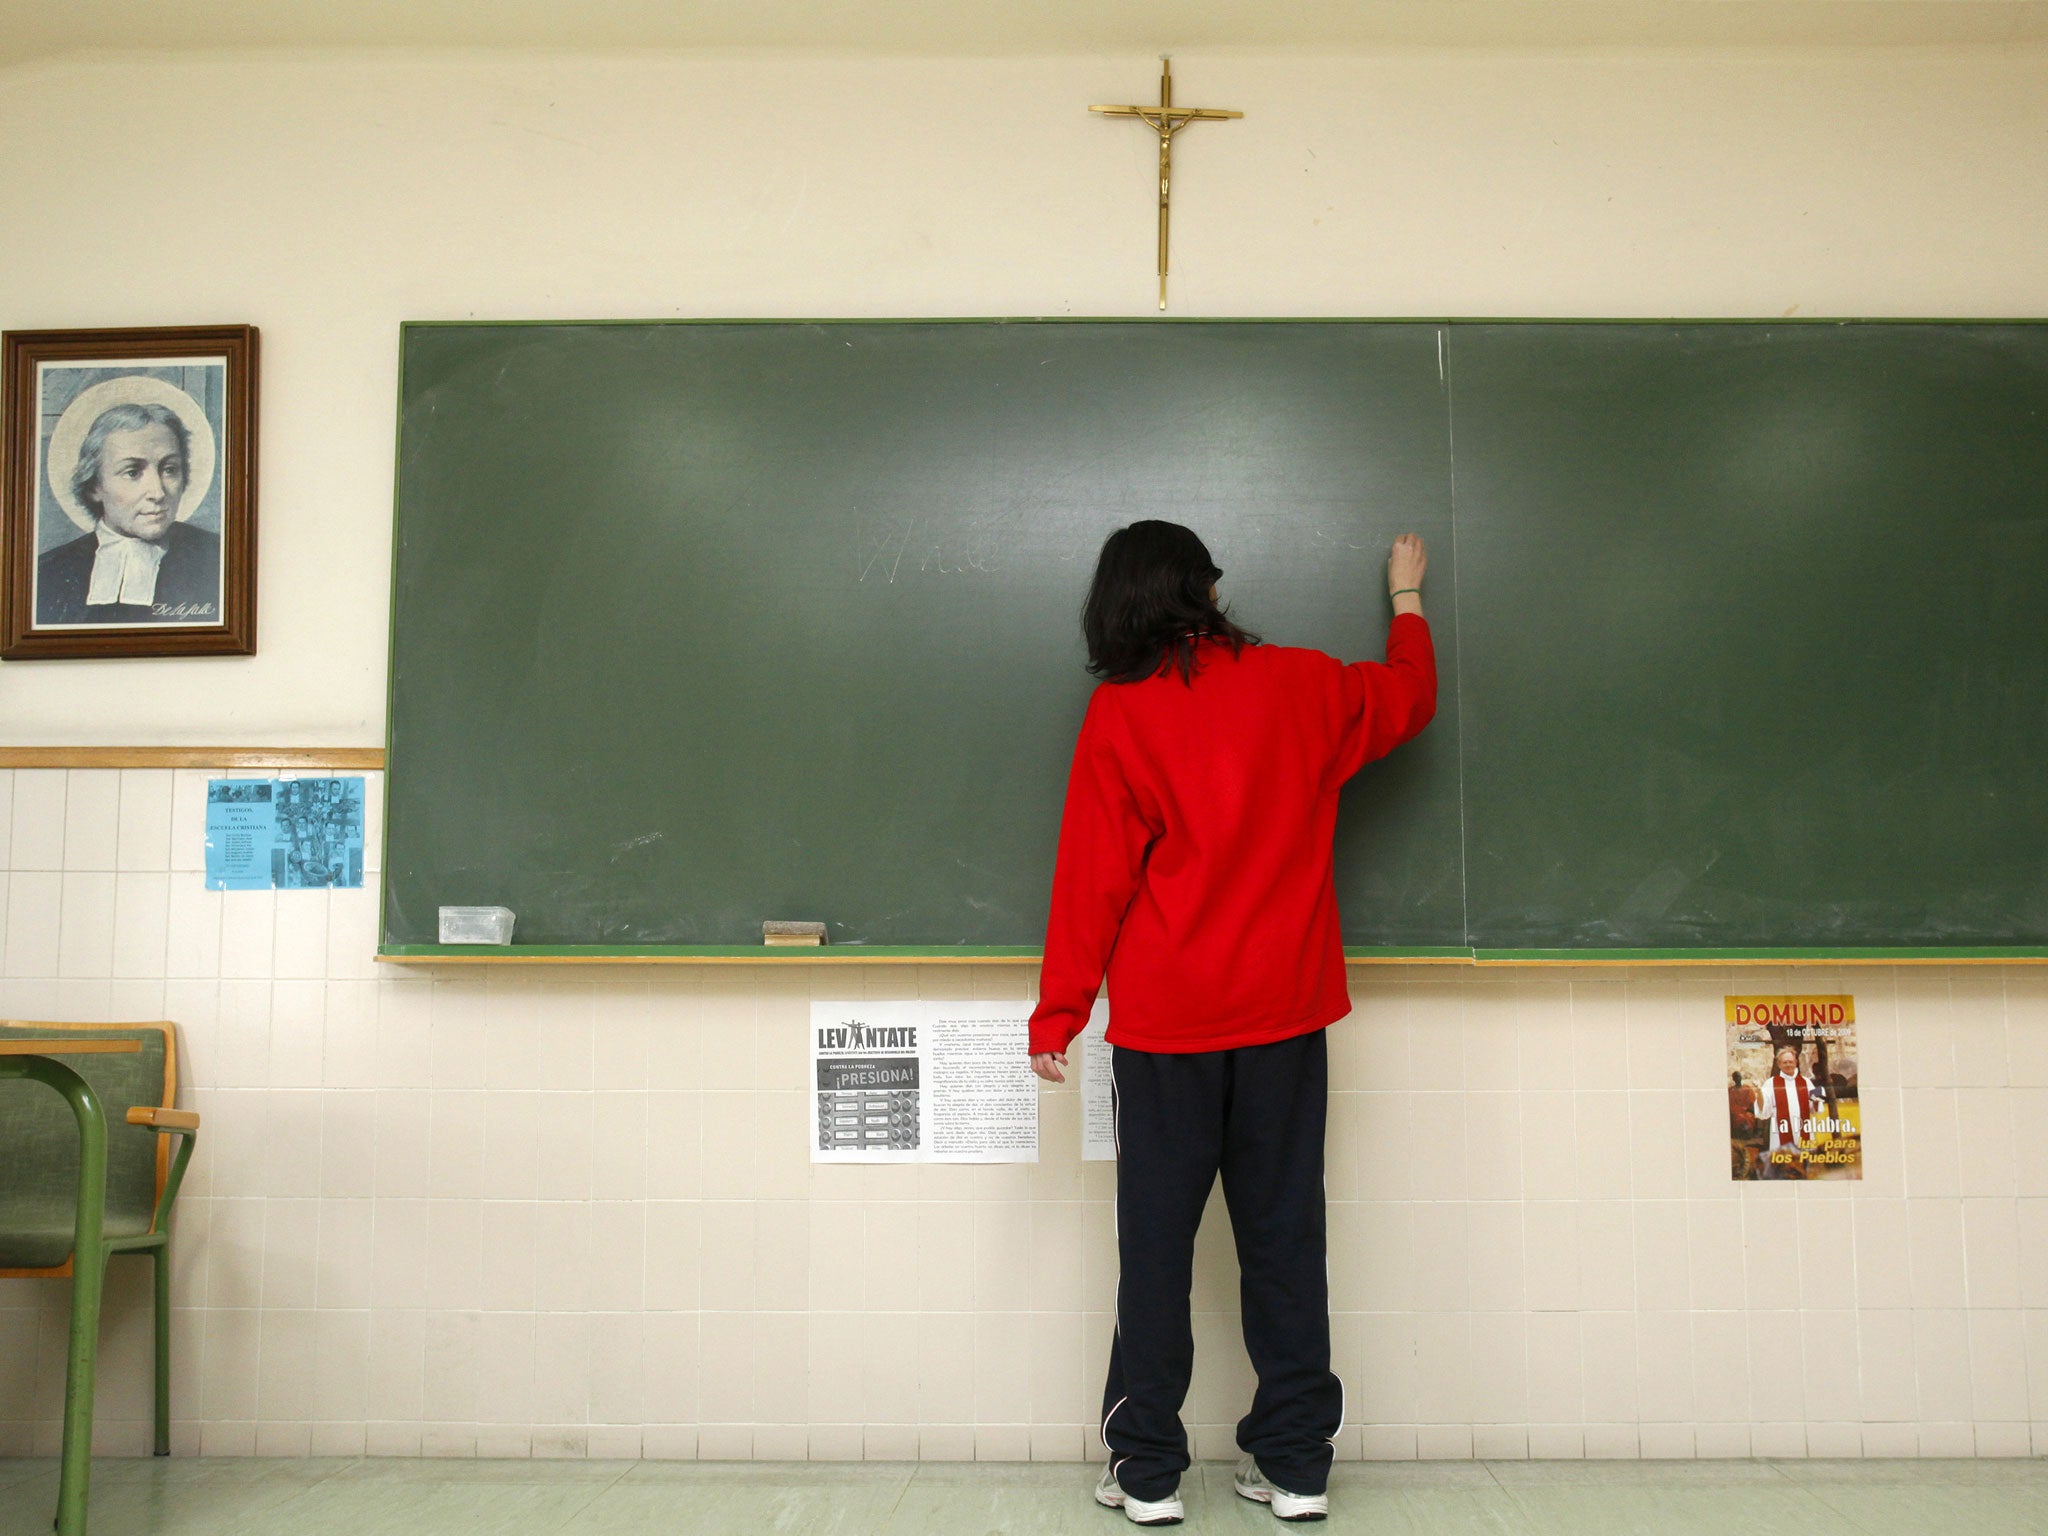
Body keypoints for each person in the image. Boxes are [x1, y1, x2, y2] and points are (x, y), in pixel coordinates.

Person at [1027, 520, 1436, 1526]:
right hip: (1284, 1017)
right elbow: (1410, 699)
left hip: (1167, 1028)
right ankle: (1294, 1467)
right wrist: (1406, 602)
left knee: (1155, 1251)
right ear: (1208, 589)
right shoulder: (1302, 684)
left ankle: (1147, 1475)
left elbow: (1092, 873)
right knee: (1284, 1242)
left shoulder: (1121, 713)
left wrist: (1059, 1010)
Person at [36, 401, 222, 626]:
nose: (157, 492)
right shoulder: (47, 572)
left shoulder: (218, 559)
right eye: (132, 472)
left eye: (170, 469)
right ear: (95, 485)